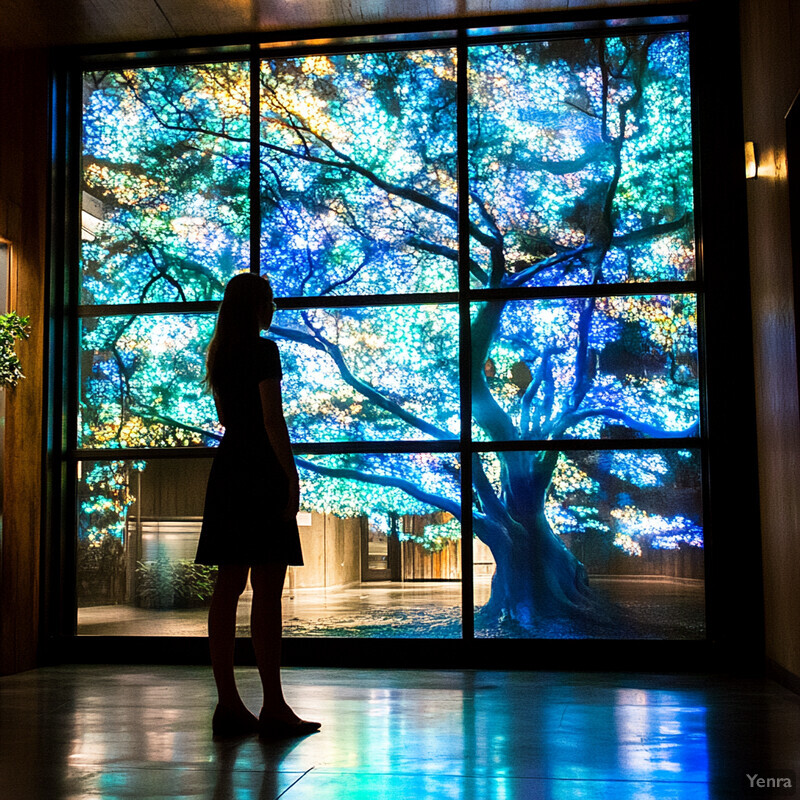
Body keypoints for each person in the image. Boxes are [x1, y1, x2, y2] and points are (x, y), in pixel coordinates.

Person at [195, 272, 320, 739]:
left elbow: (228, 417)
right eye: (269, 300)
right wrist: (291, 475)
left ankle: (227, 703)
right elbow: (273, 418)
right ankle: (273, 705)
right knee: (267, 590)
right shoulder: (265, 350)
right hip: (261, 470)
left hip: (230, 468)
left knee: (228, 587)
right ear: (256, 306)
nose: (273, 308)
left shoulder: (221, 352)